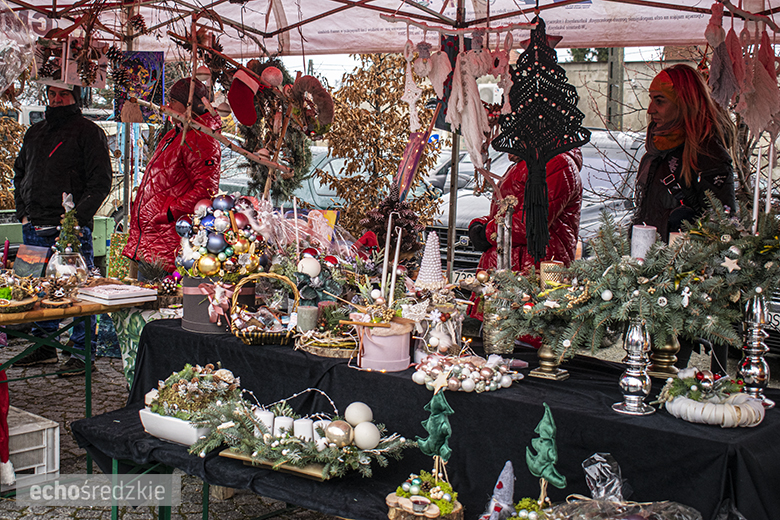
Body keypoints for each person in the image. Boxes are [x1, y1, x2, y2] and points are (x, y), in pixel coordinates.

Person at [632, 64, 737, 372]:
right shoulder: (656, 150)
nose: (650, 109)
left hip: (682, 283)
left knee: (665, 368)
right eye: (651, 99)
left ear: (685, 102)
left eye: (660, 100)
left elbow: (722, 224)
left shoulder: (708, 154)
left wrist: (691, 272)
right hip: (649, 273)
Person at [13, 83, 113, 375]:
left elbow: (100, 182)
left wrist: (75, 219)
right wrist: (22, 213)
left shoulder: (89, 132)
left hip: (69, 230)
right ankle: (43, 347)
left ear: (75, 97)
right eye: (52, 94)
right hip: (33, 225)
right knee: (35, 290)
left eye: (64, 94)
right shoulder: (35, 132)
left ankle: (82, 353)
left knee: (77, 291)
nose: (56, 100)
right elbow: (20, 173)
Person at [468, 149, 583, 320]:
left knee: (524, 330)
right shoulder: (527, 162)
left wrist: (486, 232)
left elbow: (530, 223)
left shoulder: (556, 164)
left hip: (530, 272)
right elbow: (509, 211)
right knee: (495, 332)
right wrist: (481, 224)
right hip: (511, 271)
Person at [122, 77, 222, 275]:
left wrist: (168, 212)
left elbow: (205, 191)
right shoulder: (176, 133)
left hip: (167, 242)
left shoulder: (200, 138)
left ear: (188, 105)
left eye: (173, 101)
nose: (168, 106)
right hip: (151, 239)